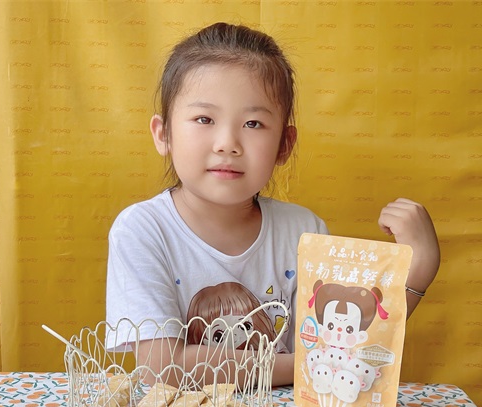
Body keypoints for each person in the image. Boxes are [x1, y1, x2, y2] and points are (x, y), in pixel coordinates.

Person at [105, 22, 440, 387]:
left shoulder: (303, 231)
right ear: (164, 134)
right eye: (204, 119)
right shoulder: (142, 230)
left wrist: (419, 268)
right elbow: (161, 368)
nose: (227, 143)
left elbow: (350, 345)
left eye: (253, 123)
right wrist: (308, 365)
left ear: (284, 145)